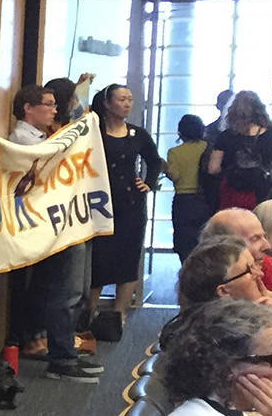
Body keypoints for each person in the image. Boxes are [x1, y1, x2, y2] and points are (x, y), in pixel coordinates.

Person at [9, 83, 102, 383]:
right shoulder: (23, 140)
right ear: (28, 108)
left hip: (64, 223)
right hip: (51, 226)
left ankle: (64, 351)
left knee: (70, 291)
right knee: (65, 293)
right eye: (48, 104)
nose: (54, 110)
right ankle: (61, 359)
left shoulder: (47, 136)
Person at [84, 83, 163, 336]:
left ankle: (119, 312)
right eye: (121, 99)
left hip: (131, 204)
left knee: (128, 258)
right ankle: (89, 311)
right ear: (107, 103)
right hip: (100, 203)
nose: (127, 104)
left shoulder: (138, 134)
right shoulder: (93, 131)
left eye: (130, 99)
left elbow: (154, 160)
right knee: (98, 259)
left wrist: (148, 183)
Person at [206, 90, 272, 210]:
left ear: (233, 110)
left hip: (233, 191)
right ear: (260, 110)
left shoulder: (225, 136)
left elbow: (213, 169)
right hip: (262, 191)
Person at [168, 114, 211, 260]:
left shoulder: (175, 152)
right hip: (205, 200)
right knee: (204, 243)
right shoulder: (208, 148)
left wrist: (164, 167)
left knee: (185, 245)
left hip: (183, 202)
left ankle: (187, 277)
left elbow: (175, 176)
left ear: (180, 132)